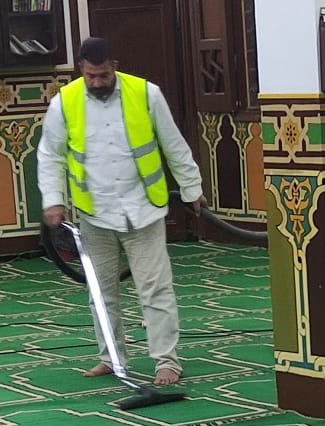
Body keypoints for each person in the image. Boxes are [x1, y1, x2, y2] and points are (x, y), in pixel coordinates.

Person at [37, 37, 207, 386]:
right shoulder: (63, 104)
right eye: (90, 76)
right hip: (95, 213)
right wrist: (53, 200)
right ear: (81, 70)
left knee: (155, 289)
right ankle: (110, 358)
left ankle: (166, 362)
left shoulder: (146, 94)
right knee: (101, 293)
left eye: (103, 75)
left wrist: (192, 189)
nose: (97, 82)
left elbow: (173, 144)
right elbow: (50, 156)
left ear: (114, 66)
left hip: (143, 210)